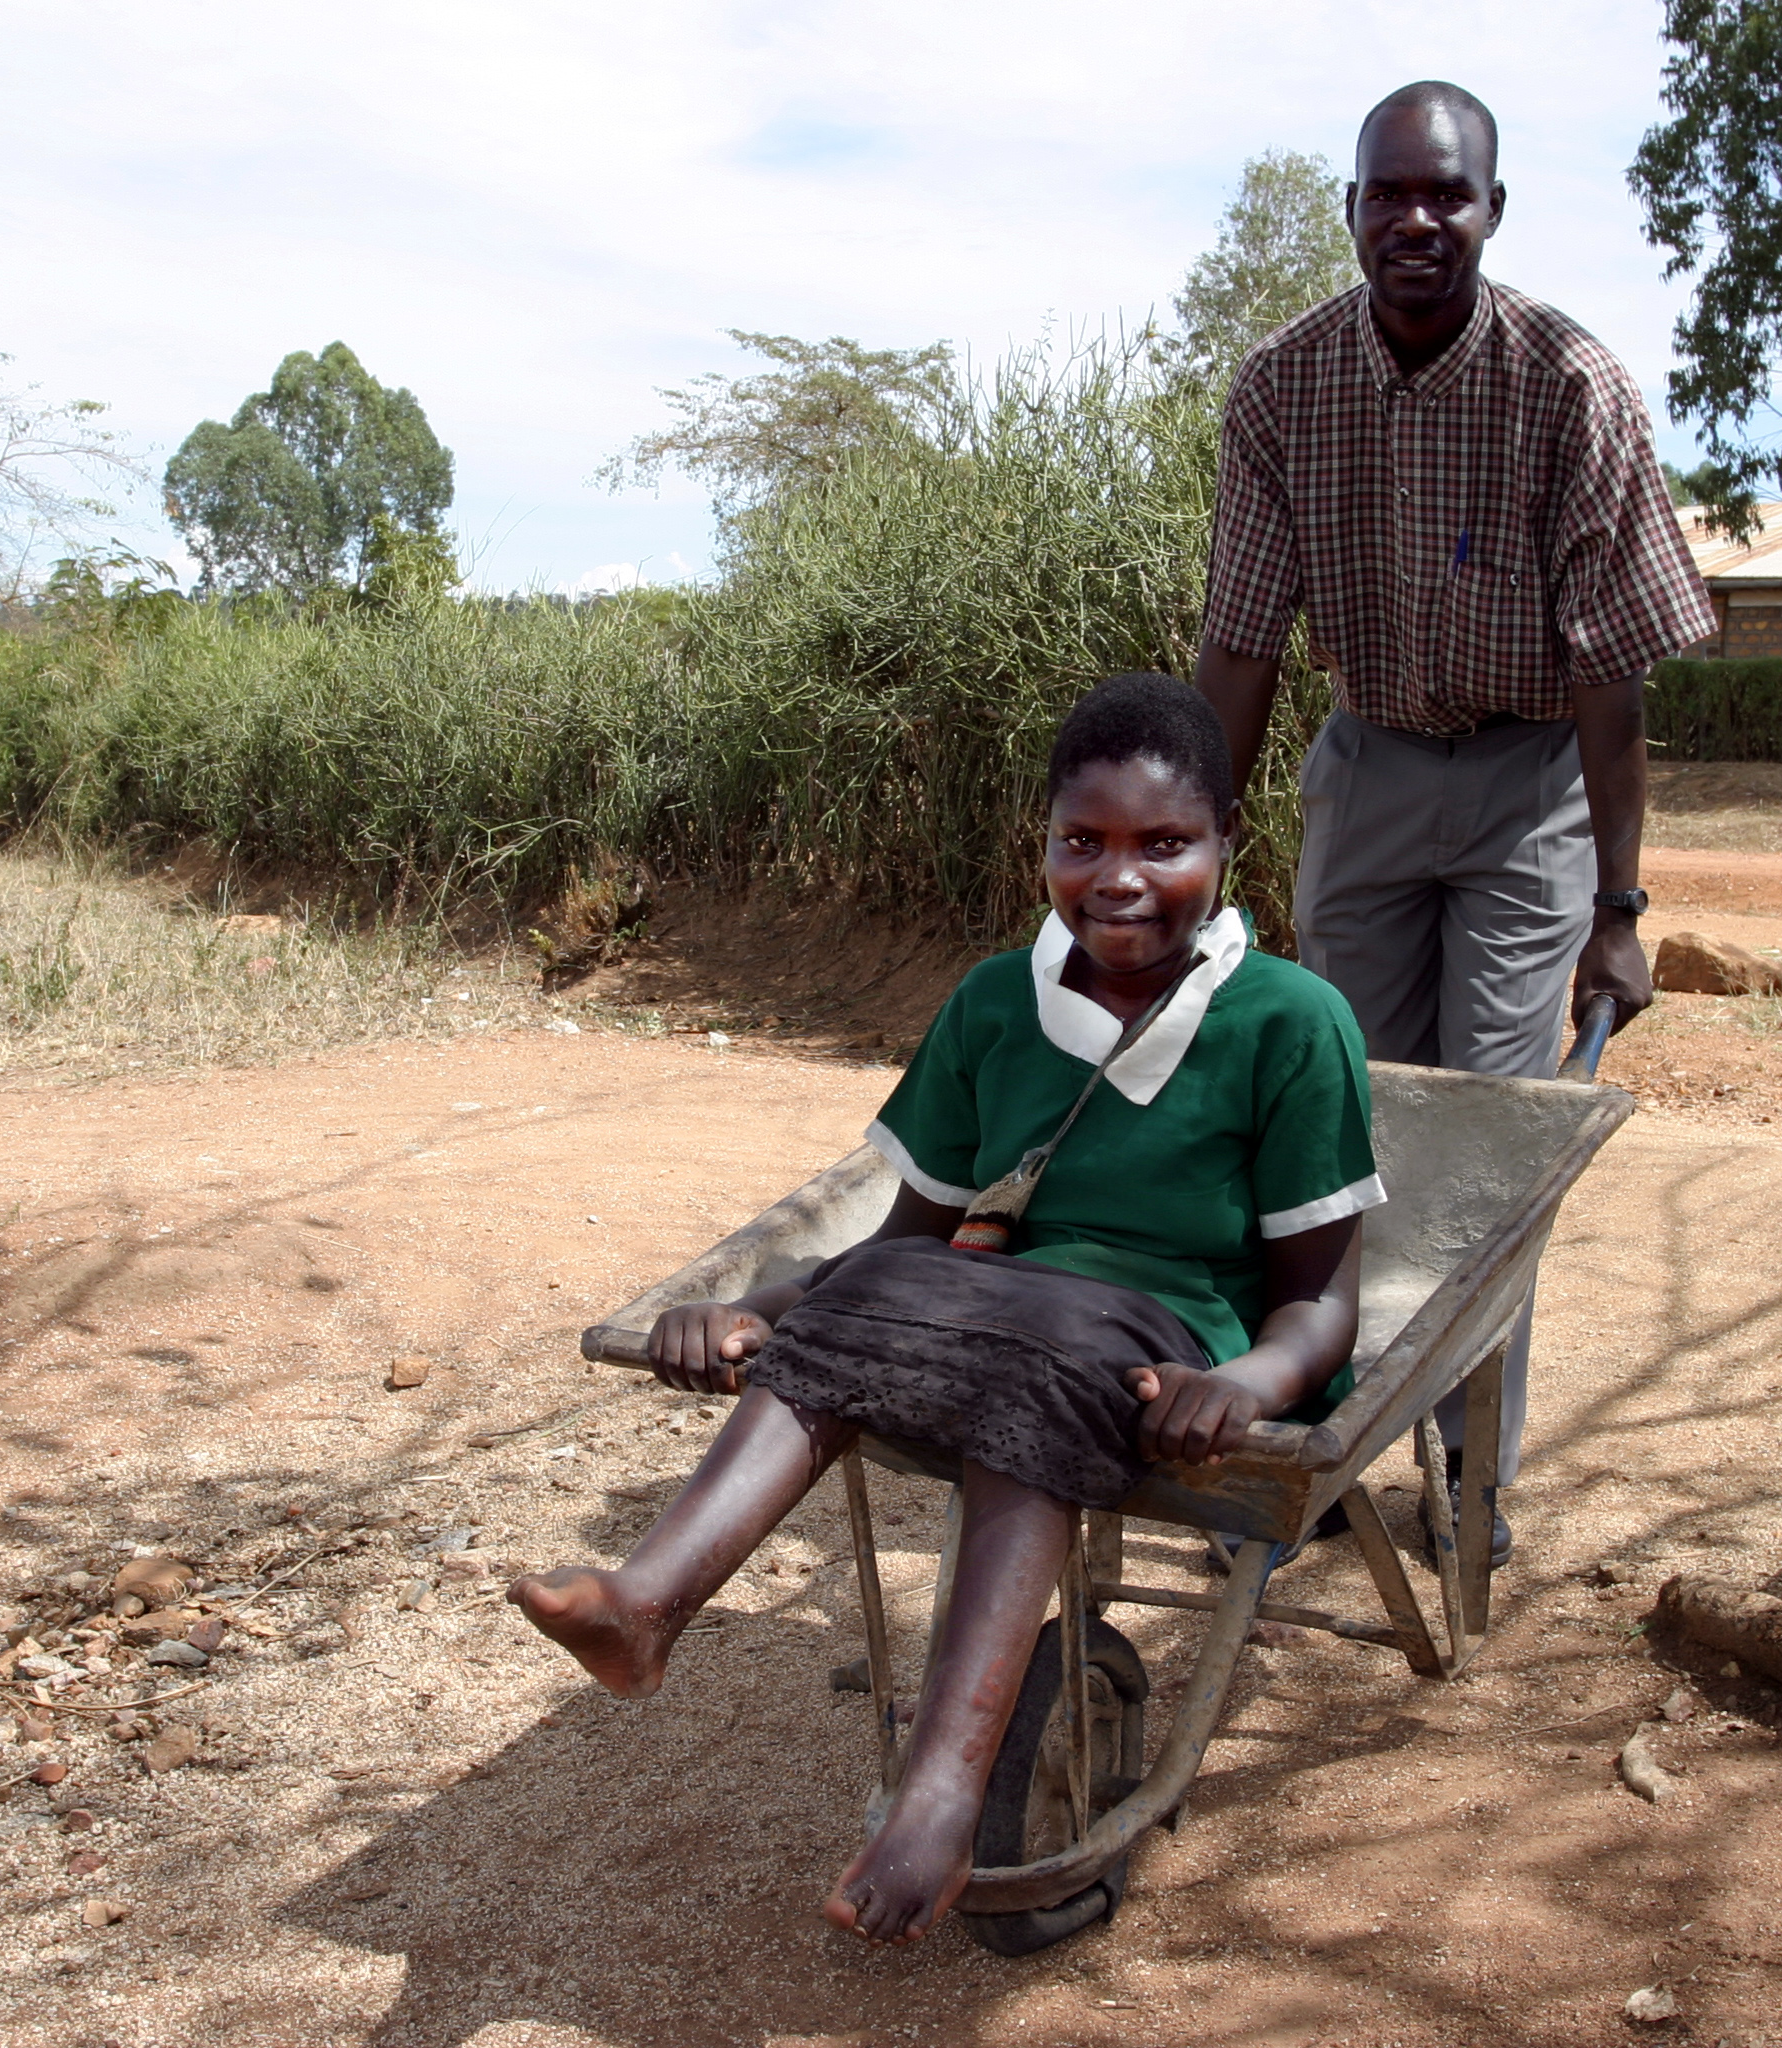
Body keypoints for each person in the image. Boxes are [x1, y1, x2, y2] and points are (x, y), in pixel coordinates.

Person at [509, 673, 1383, 1947]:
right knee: (862, 1290)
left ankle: (941, 1790)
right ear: (1043, 843)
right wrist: (755, 1307)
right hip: (992, 1295)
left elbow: (1325, 1296)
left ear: (1227, 846)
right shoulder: (995, 1000)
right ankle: (647, 1608)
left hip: (1158, 1330)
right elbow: (908, 1243)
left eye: (1165, 844)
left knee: (1040, 1367)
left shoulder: (1291, 1022)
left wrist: (1247, 1386)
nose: (1119, 878)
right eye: (1082, 842)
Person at [1192, 81, 1716, 1553]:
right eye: (1389, 195)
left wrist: (1619, 914)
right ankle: (1321, 1444)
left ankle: (1469, 1480)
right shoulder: (1282, 388)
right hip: (1367, 769)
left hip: (1526, 784)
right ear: (1352, 209)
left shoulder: (1570, 385)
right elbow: (1241, 642)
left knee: (1484, 1144)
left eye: (1450, 196)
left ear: (1492, 213)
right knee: (1330, 1122)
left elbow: (1610, 677)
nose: (1418, 221)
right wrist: (1192, 860)